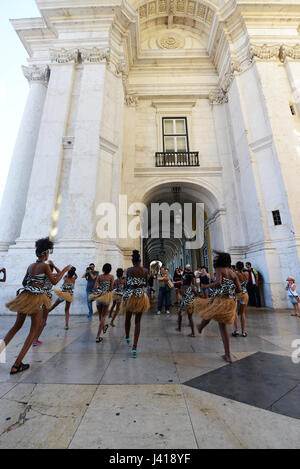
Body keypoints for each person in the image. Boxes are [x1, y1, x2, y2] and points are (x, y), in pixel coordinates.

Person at [2, 237, 71, 375]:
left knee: (15, 327)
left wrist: (34, 283)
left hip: (25, 296)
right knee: (33, 331)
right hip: (37, 299)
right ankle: (16, 365)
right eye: (48, 253)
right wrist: (65, 269)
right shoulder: (45, 266)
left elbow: (23, 282)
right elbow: (55, 281)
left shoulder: (30, 266)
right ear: (45, 254)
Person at [195, 251, 241, 364]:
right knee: (213, 314)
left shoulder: (220, 269)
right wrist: (228, 290)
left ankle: (228, 355)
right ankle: (227, 354)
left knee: (212, 314)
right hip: (231, 301)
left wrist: (206, 285)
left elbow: (218, 282)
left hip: (222, 300)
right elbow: (239, 289)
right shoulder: (233, 272)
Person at [123, 250, 150, 358]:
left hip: (131, 296)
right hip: (141, 296)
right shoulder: (145, 270)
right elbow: (146, 283)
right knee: (138, 322)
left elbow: (127, 282)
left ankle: (127, 337)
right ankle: (134, 348)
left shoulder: (129, 270)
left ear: (132, 261)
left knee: (127, 318)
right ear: (140, 260)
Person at [33, 260, 61, 346]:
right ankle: (35, 339)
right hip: (47, 298)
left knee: (37, 320)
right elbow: (60, 273)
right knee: (43, 321)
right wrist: (54, 264)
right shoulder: (52, 275)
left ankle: (34, 338)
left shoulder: (42, 276)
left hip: (39, 296)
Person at [89, 264, 114, 343]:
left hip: (99, 297)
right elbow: (111, 288)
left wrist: (101, 288)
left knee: (100, 316)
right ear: (110, 269)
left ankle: (103, 327)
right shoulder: (111, 277)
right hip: (106, 297)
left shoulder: (100, 276)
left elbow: (95, 287)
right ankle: (98, 336)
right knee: (103, 316)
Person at [177, 271, 198, 337]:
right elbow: (196, 294)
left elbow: (183, 293)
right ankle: (193, 333)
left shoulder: (183, 286)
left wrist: (179, 291)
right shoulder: (192, 286)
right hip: (191, 302)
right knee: (190, 318)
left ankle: (179, 328)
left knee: (180, 314)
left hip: (184, 303)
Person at [232, 262, 249, 337]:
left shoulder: (235, 273)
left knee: (235, 312)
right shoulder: (246, 273)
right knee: (242, 313)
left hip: (236, 294)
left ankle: (236, 330)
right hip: (244, 294)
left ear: (236, 267)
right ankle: (244, 332)